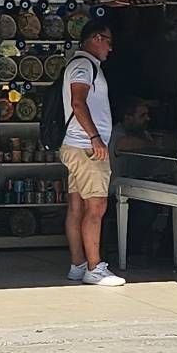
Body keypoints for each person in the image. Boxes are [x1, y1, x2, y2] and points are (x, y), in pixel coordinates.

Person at [59, 17, 126, 286]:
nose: (110, 49)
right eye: (108, 42)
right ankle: (94, 267)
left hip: (76, 146)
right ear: (96, 38)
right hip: (86, 147)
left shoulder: (82, 66)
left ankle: (78, 263)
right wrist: (95, 138)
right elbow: (78, 102)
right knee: (96, 206)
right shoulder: (84, 66)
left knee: (77, 206)